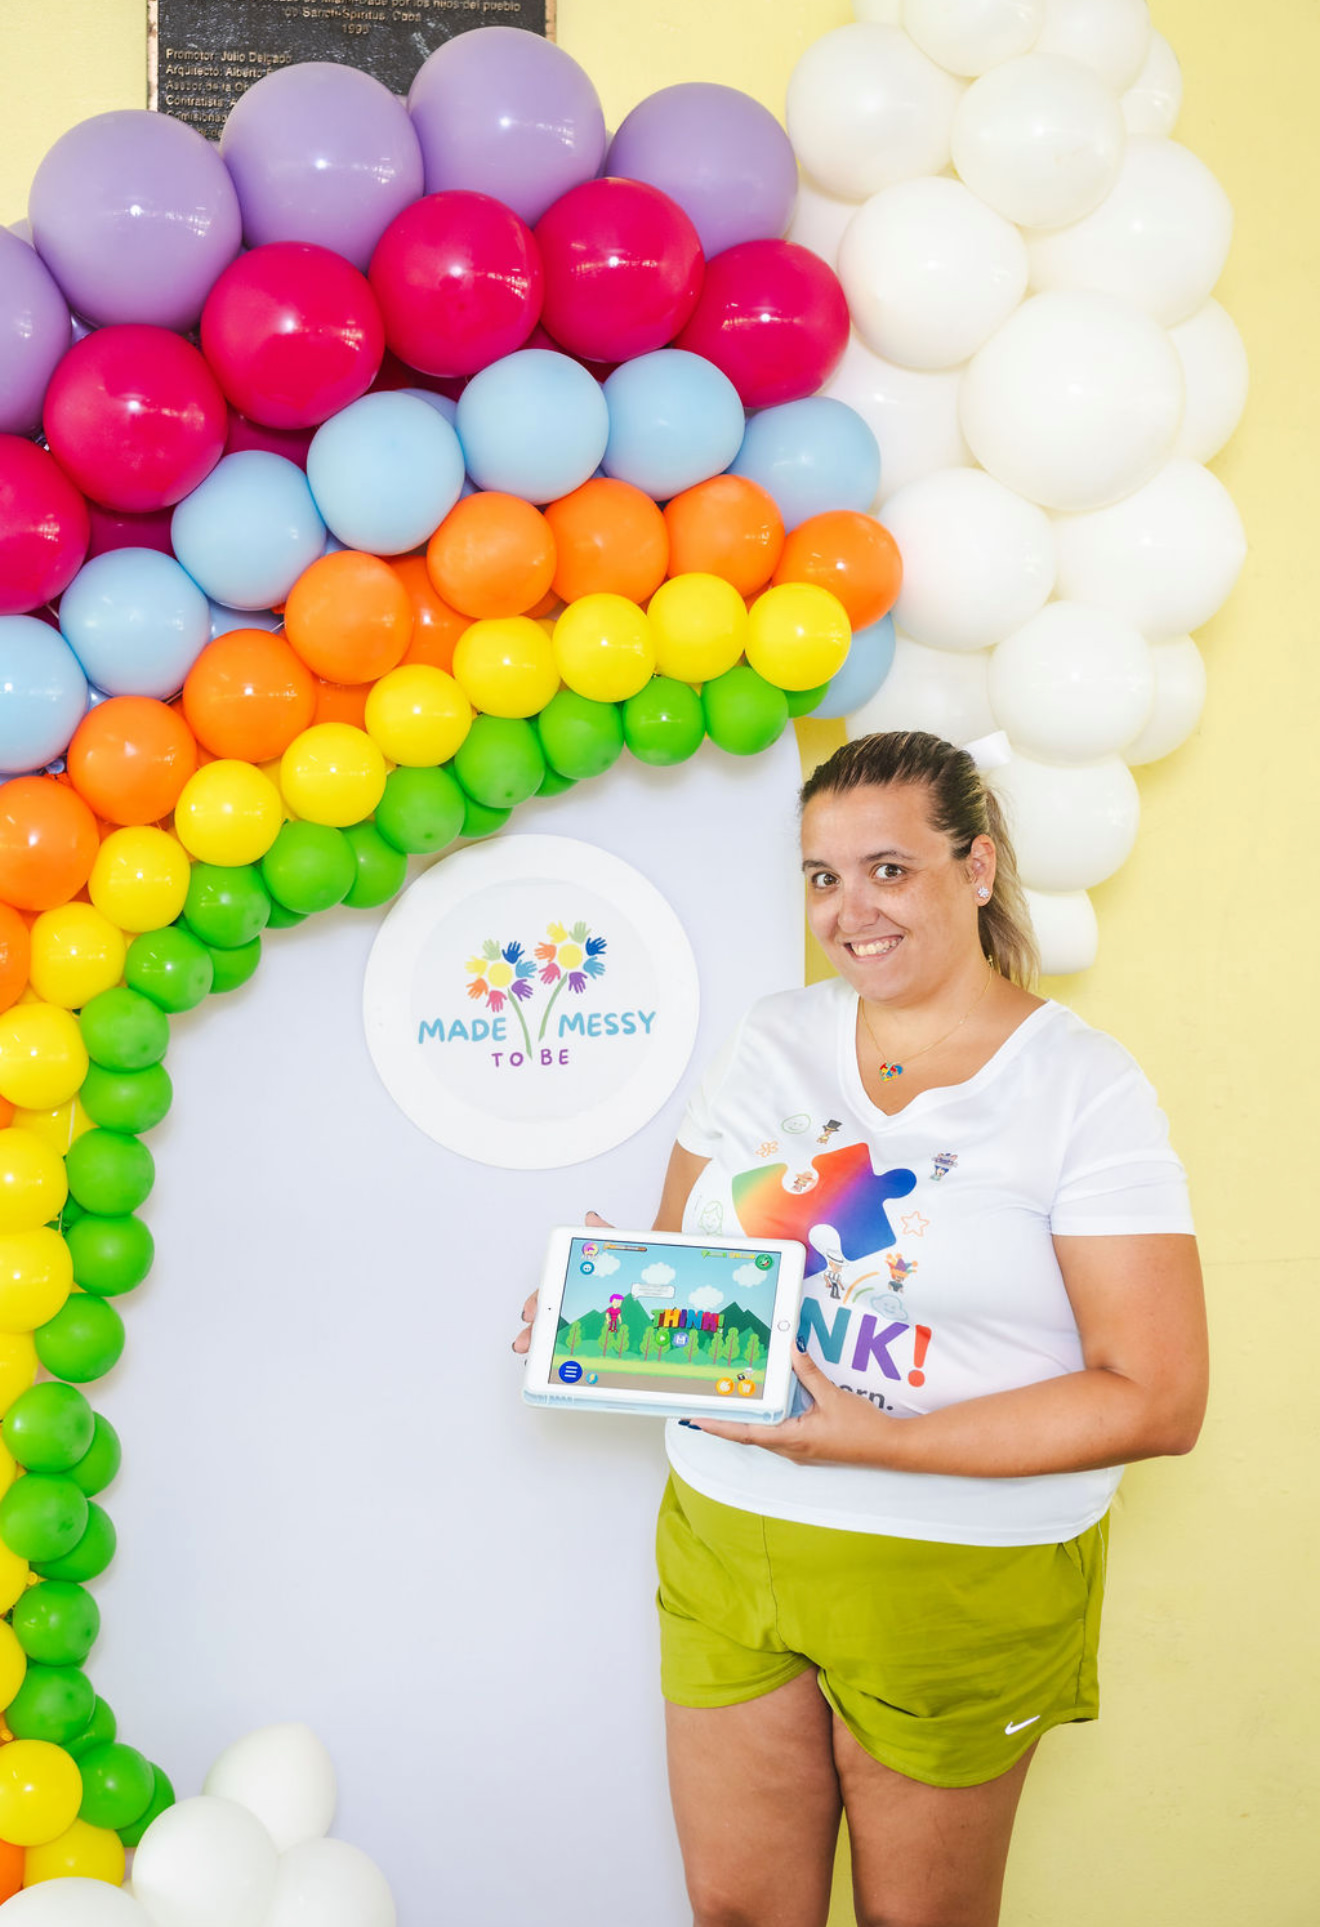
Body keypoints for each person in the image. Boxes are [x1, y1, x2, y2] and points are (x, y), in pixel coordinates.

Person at [515, 729, 1207, 1927]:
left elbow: (1157, 1396)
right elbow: (705, 1280)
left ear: (977, 867)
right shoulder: (771, 1036)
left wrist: (864, 1439)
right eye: (823, 876)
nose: (849, 910)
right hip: (729, 1544)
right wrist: (611, 1308)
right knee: (738, 1914)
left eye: (889, 868)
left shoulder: (1081, 1086)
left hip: (955, 1578)